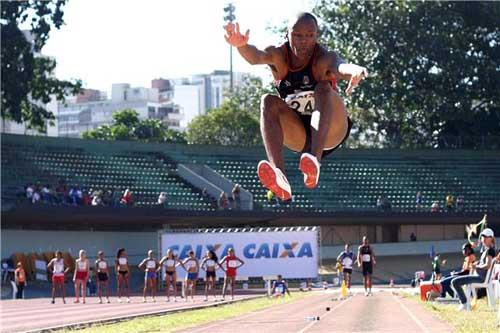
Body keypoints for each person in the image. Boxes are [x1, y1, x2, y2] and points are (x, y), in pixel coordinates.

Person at [224, 12, 368, 200]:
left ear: (316, 36)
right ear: (287, 34)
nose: (304, 41)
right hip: (299, 134)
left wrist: (355, 70)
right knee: (267, 101)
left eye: (310, 35)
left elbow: (340, 66)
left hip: (331, 131)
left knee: (323, 88)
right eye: (297, 35)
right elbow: (256, 56)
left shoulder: (322, 58)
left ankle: (314, 163)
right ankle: (280, 177)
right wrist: (241, 46)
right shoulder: (278, 56)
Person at [451, 228, 496, 311]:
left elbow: (488, 265)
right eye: (483, 237)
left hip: (480, 278)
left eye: (486, 237)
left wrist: (476, 266)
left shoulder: (490, 250)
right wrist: (477, 263)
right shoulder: (487, 250)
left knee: (454, 282)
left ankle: (464, 303)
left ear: (491, 238)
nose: (484, 239)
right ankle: (465, 303)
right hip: (479, 277)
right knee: (455, 281)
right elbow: (484, 263)